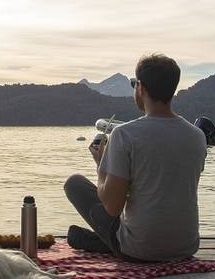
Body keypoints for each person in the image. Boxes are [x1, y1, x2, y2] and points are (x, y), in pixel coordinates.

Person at [64, 54, 207, 261]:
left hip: (140, 250)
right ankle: (99, 241)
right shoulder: (197, 136)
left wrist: (101, 166)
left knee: (74, 183)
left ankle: (103, 242)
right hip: (186, 246)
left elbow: (112, 207)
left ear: (140, 88)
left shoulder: (124, 135)